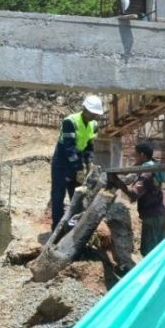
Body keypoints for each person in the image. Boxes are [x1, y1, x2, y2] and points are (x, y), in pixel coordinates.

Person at [49, 95, 104, 230]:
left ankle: (75, 227)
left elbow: (89, 146)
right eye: (93, 113)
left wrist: (89, 162)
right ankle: (57, 227)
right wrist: (78, 169)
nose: (94, 116)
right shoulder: (70, 121)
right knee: (58, 195)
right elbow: (69, 148)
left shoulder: (94, 125)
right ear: (84, 109)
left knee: (77, 195)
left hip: (77, 158)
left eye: (96, 114)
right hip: (62, 161)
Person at [122, 142, 165, 256]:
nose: (134, 158)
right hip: (159, 214)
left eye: (135, 155)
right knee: (158, 252)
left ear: (142, 155)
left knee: (148, 253)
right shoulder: (154, 166)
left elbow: (135, 194)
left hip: (151, 216)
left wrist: (118, 183)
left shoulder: (147, 171)